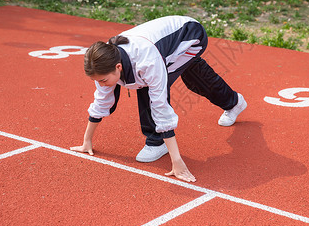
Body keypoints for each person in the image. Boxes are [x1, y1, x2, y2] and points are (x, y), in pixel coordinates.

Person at [70, 16, 247, 182]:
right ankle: (233, 102)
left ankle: (157, 142)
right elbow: (102, 100)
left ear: (118, 67)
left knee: (150, 86)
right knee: (192, 73)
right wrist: (87, 141)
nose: (101, 84)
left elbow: (160, 105)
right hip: (165, 43)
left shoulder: (147, 62)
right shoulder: (103, 60)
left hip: (191, 36)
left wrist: (176, 160)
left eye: (103, 80)